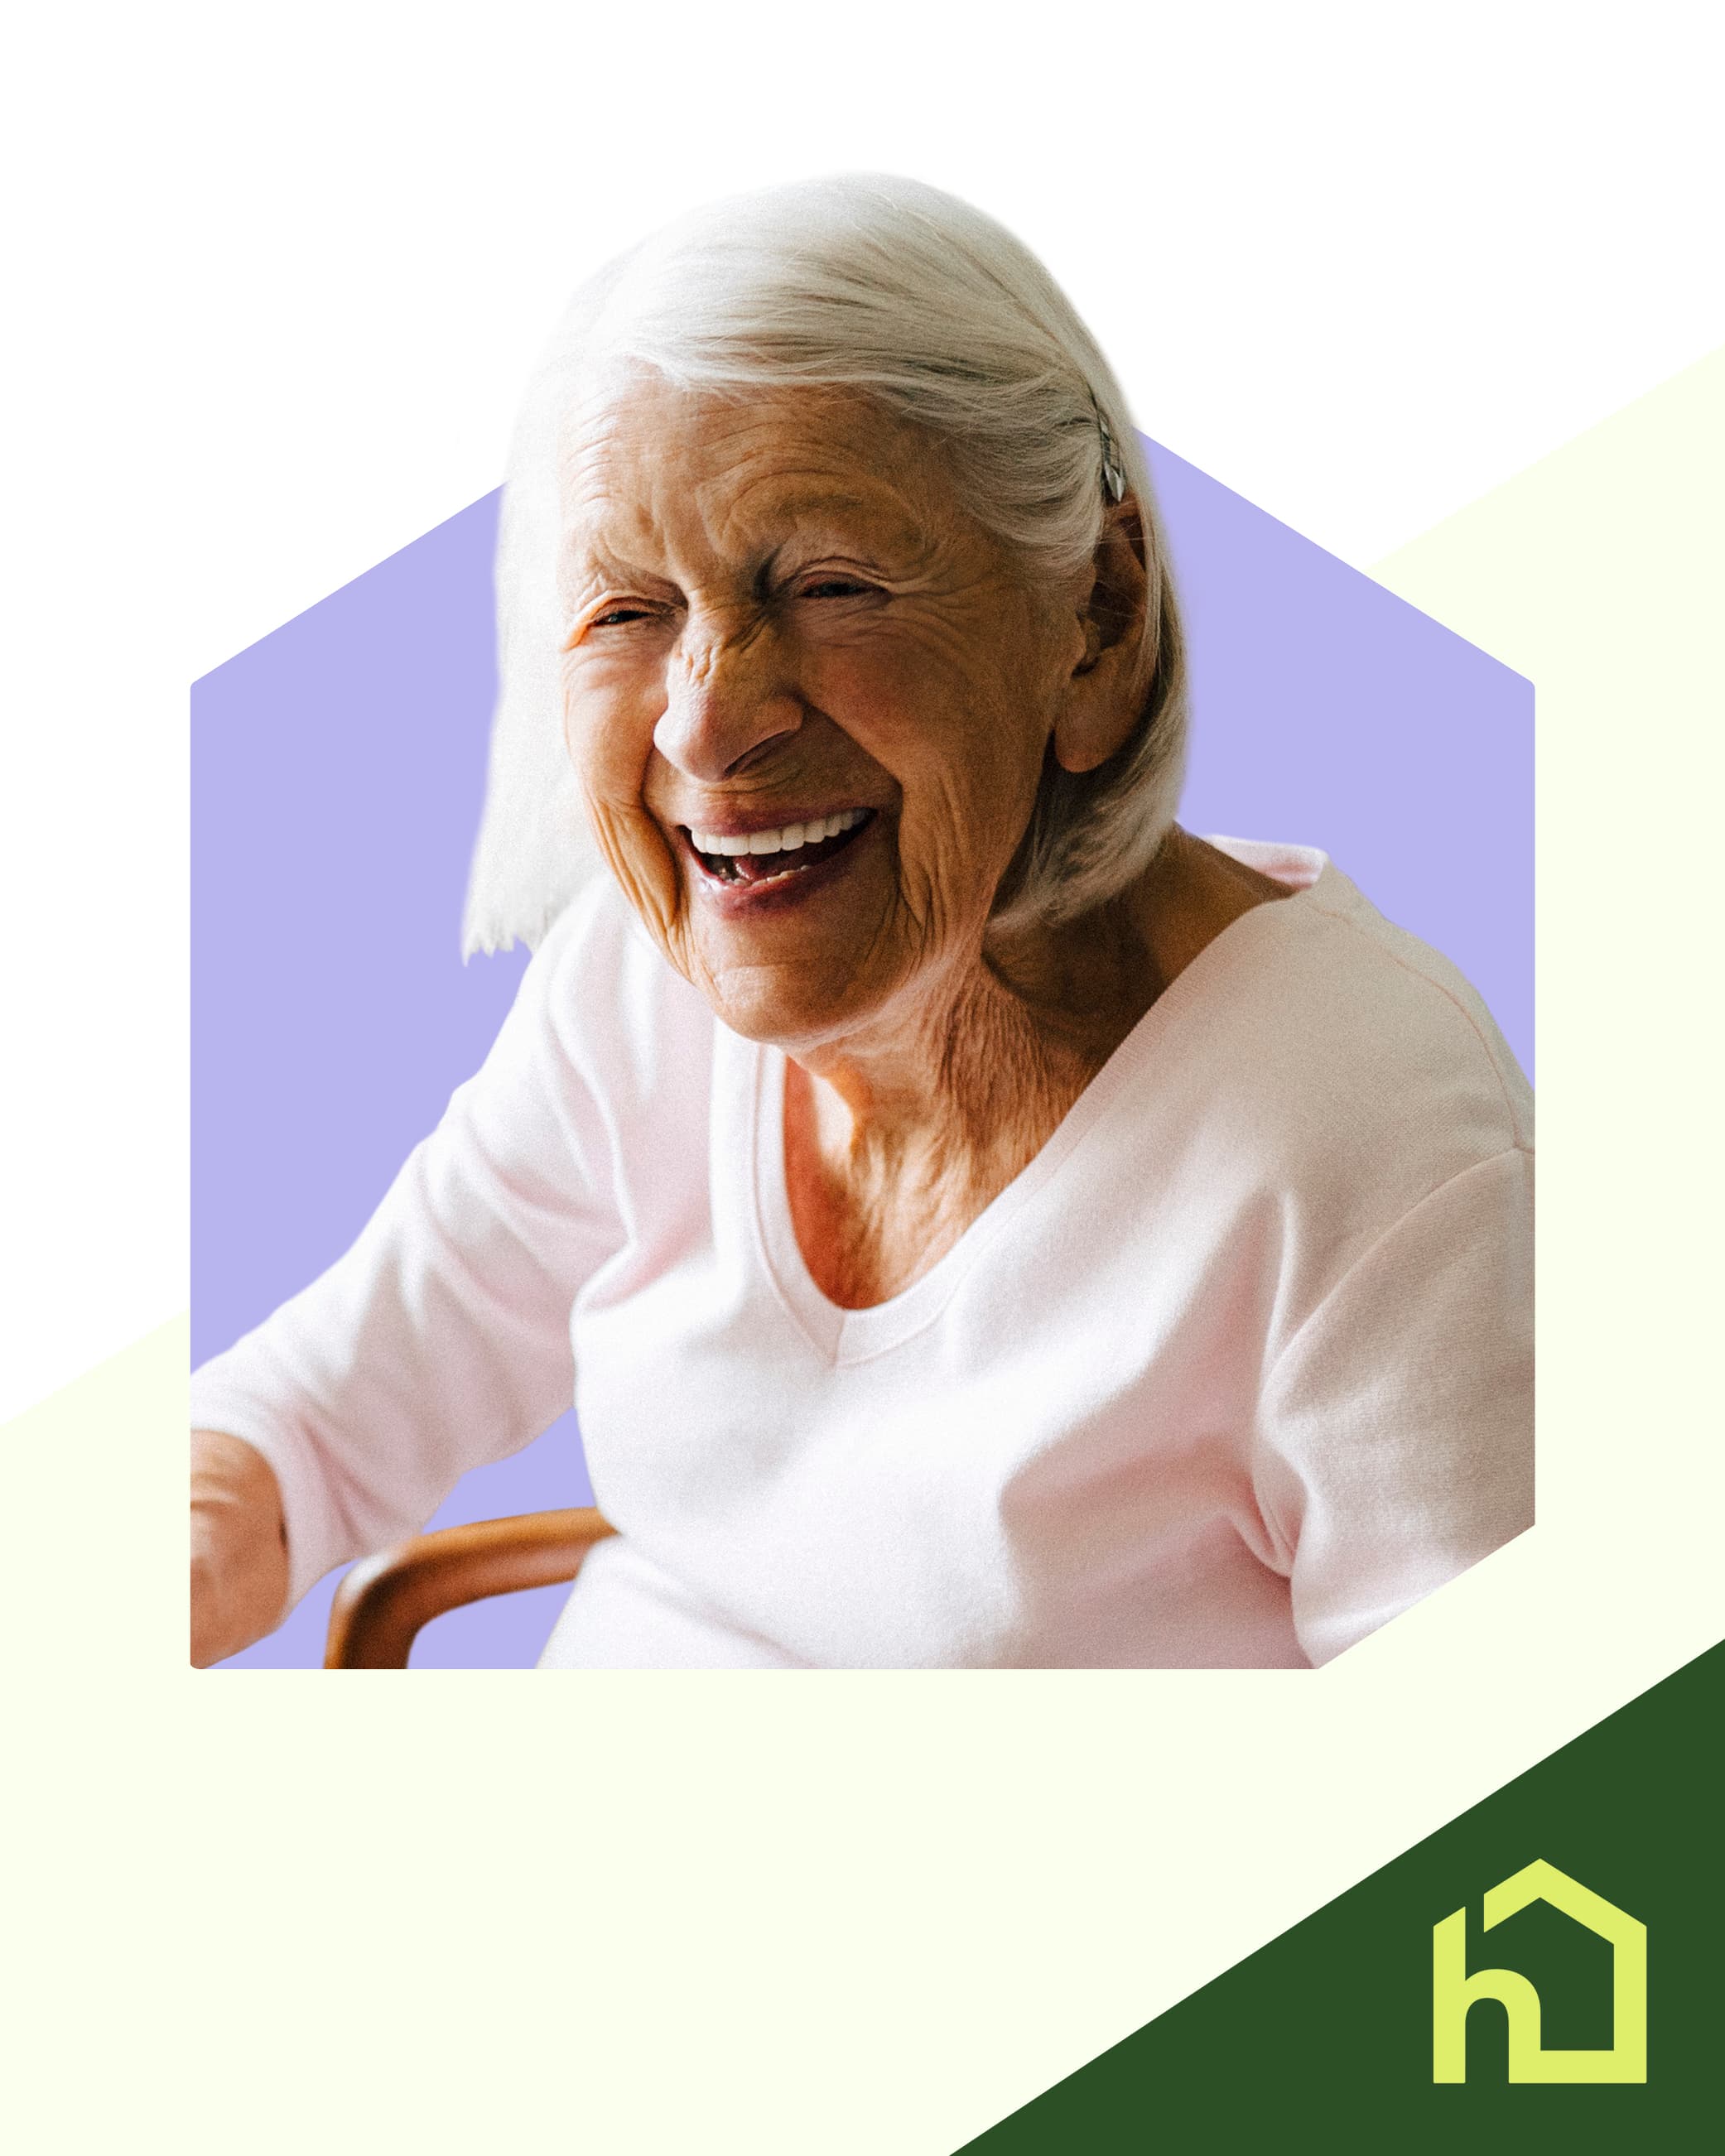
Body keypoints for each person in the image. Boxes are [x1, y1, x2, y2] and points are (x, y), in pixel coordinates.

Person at [190, 175, 1533, 1670]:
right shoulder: (635, 1003)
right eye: (630, 610)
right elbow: (302, 1422)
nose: (707, 727)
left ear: (1096, 614)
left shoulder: (1366, 1140)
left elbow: (1503, 1813)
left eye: (830, 583)